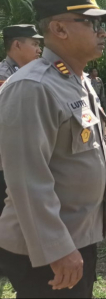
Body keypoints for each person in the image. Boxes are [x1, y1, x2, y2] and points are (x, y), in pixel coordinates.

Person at [0, 0, 106, 298]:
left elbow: (95, 150)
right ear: (58, 28)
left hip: (78, 236)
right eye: (91, 23)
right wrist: (56, 249)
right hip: (43, 249)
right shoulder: (32, 87)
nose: (102, 32)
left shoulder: (76, 81)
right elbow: (26, 179)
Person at [0, 25, 43, 216]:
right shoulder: (4, 77)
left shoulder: (30, 74)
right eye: (34, 44)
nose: (39, 49)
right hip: (7, 165)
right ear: (17, 44)